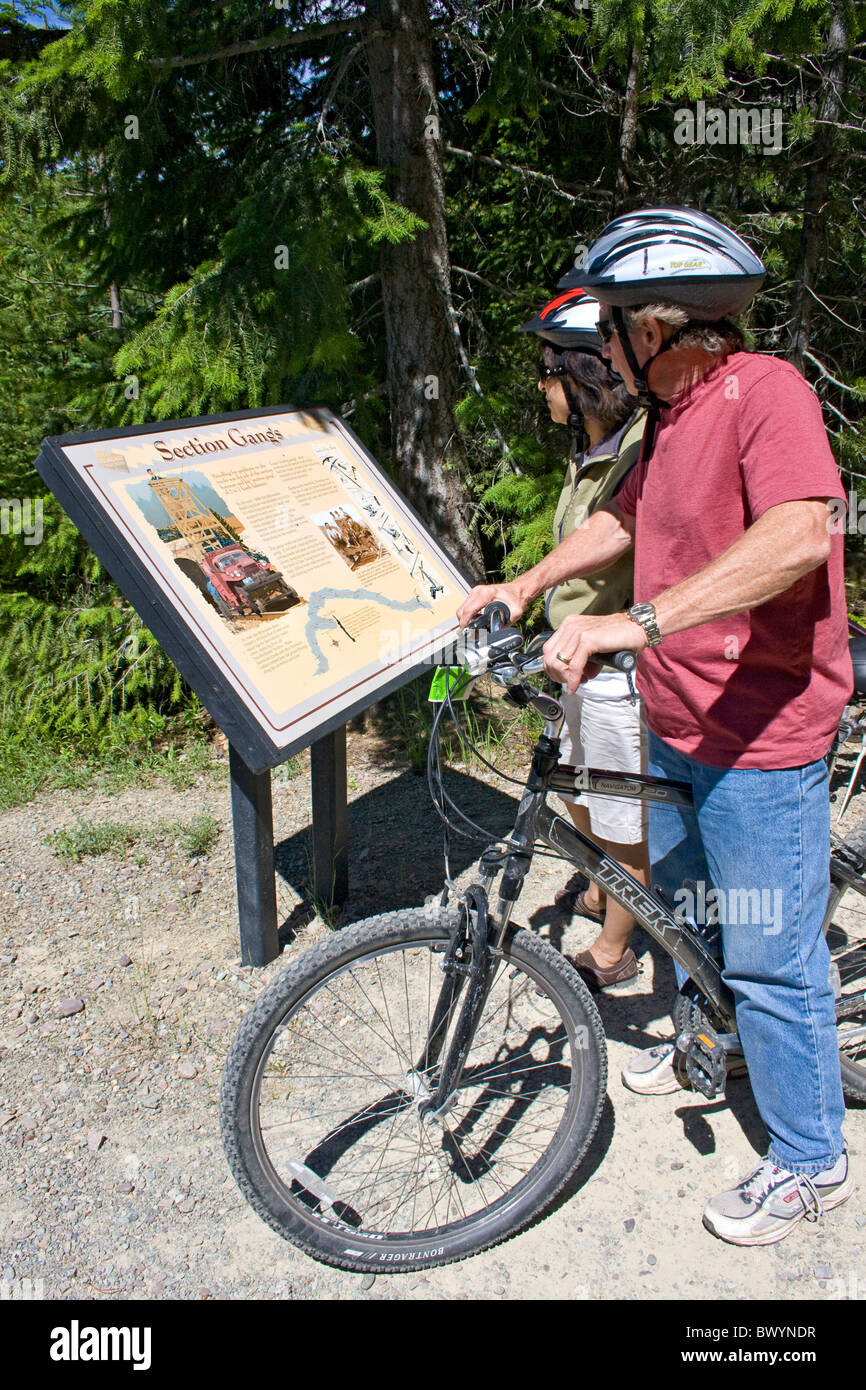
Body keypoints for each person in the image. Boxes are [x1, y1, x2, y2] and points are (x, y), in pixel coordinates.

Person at [457, 206, 854, 1247]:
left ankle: (810, 1156)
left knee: (769, 954)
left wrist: (633, 621)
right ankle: (718, 1042)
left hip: (759, 731)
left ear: (657, 330)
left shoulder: (765, 394)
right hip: (679, 712)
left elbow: (799, 530)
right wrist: (525, 578)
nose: (602, 350)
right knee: (682, 910)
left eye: (616, 327)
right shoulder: (670, 421)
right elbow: (622, 519)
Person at [517, 288, 649, 988]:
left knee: (623, 812)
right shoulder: (592, 446)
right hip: (570, 662)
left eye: (548, 371)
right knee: (574, 786)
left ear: (581, 372)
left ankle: (615, 948)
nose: (542, 388)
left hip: (615, 665)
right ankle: (601, 886)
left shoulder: (635, 451)